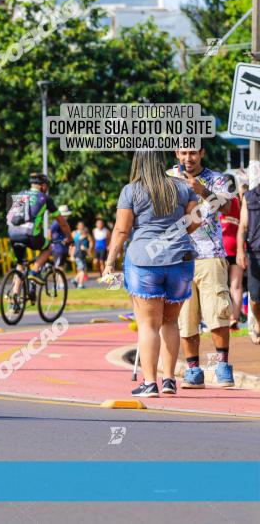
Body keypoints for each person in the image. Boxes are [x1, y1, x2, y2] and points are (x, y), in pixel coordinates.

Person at [104, 150, 200, 397]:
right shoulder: (181, 187)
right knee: (170, 321)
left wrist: (109, 262)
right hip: (180, 260)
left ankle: (150, 383)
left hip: (144, 261)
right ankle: (169, 380)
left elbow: (122, 230)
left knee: (148, 325)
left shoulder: (131, 190)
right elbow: (196, 221)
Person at [168, 147, 236, 388]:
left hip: (211, 255)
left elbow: (228, 208)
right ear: (177, 153)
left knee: (217, 311)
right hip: (179, 258)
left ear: (202, 153)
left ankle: (223, 366)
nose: (189, 158)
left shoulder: (217, 179)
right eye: (184, 153)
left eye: (193, 153)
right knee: (186, 317)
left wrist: (203, 191)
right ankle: (193, 370)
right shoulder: (168, 179)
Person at [6, 173, 72, 287]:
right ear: (42, 186)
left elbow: (10, 216)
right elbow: (62, 223)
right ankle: (35, 271)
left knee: (20, 264)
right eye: (47, 185)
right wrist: (70, 238)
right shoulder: (45, 199)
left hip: (12, 233)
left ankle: (14, 298)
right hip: (29, 234)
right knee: (48, 248)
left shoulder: (21, 194)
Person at [235, 181, 260, 345]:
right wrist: (240, 251)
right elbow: (243, 226)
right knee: (255, 297)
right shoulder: (249, 197)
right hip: (255, 252)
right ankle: (258, 321)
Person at [220, 173, 243, 330]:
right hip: (237, 246)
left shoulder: (219, 200)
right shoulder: (239, 201)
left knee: (221, 285)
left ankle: (221, 318)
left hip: (222, 245)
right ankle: (234, 318)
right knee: (236, 286)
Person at [50, 205, 72, 269]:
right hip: (58, 248)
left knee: (62, 266)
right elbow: (50, 231)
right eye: (64, 215)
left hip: (64, 248)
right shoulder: (57, 222)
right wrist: (52, 242)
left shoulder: (64, 223)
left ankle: (61, 279)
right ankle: (59, 279)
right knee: (58, 268)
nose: (66, 217)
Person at [70, 221, 91, 289]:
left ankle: (76, 280)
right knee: (82, 270)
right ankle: (79, 284)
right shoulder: (79, 238)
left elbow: (90, 242)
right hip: (79, 255)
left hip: (81, 255)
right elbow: (74, 246)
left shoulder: (83, 238)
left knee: (82, 269)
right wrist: (71, 255)